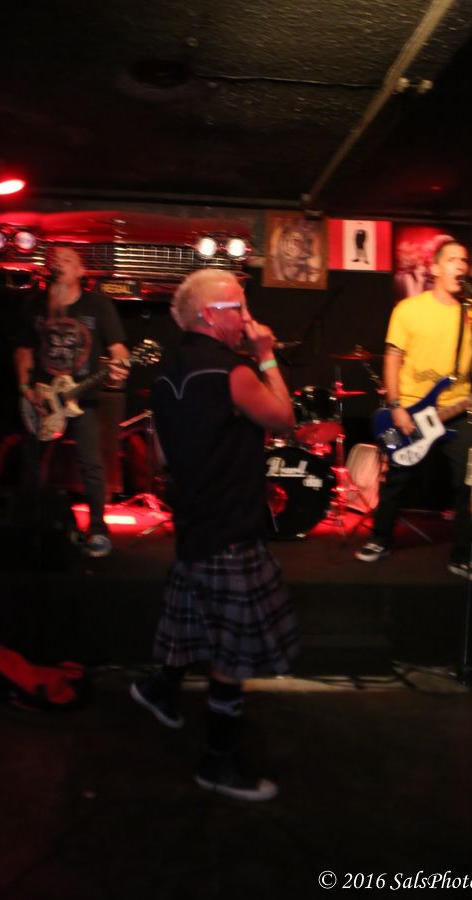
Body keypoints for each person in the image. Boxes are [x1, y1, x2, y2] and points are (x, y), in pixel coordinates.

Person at [130, 269, 300, 801]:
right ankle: (216, 763)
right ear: (210, 315)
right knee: (231, 655)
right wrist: (266, 356)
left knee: (194, 617)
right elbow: (286, 419)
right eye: (239, 308)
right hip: (230, 528)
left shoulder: (165, 375)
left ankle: (159, 688)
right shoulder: (235, 372)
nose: (248, 319)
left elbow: (160, 457)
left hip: (195, 524)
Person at [356, 238, 472, 580]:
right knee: (396, 479)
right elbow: (392, 359)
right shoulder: (408, 310)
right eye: (452, 259)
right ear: (435, 268)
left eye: (464, 260)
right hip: (411, 409)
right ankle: (380, 538)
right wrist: (396, 406)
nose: (460, 265)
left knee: (471, 480)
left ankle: (464, 554)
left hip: (458, 411)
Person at [14, 246, 130, 558]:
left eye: (67, 260)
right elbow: (24, 349)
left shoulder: (97, 305)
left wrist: (121, 366)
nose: (59, 263)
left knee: (91, 464)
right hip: (42, 398)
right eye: (54, 259)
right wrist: (25, 388)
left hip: (82, 398)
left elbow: (118, 348)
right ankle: (29, 526)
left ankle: (98, 530)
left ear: (81, 271)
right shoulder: (35, 305)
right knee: (32, 464)